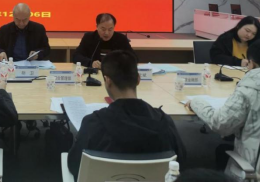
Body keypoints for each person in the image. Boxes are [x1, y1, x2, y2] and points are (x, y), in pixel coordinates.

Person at [68, 50, 186, 181]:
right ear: (138, 79)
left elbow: (74, 165)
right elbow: (181, 162)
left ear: (107, 81)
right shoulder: (165, 122)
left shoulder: (93, 123)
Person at [187, 40, 260, 179]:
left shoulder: (248, 90)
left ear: (251, 64)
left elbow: (220, 124)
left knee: (221, 150)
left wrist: (196, 102)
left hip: (253, 172)